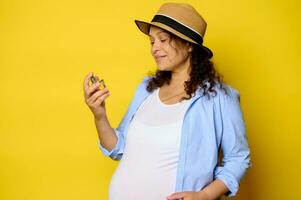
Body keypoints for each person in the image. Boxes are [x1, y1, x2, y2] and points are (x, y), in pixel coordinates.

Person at [83, 2, 251, 200]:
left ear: (189, 45)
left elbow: (239, 158)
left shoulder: (219, 97)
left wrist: (204, 195)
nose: (155, 48)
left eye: (163, 40)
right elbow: (118, 149)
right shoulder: (147, 88)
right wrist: (99, 115)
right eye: (152, 41)